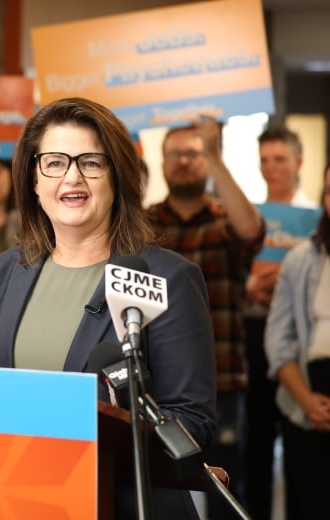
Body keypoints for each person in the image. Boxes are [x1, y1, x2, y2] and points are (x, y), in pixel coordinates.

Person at [0, 97, 216, 519]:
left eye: (91, 162)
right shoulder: (4, 271)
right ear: (33, 180)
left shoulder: (168, 277)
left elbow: (192, 421)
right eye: (55, 163)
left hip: (122, 504)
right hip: (13, 499)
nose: (72, 177)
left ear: (117, 176)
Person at [147, 118, 265, 518]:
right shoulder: (142, 226)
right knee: (159, 493)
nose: (183, 161)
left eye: (192, 154)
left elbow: (251, 231)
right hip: (153, 388)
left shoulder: (224, 221)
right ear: (161, 163)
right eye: (174, 154)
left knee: (226, 492)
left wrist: (215, 155)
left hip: (222, 382)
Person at [245, 125, 319, 520]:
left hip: (300, 340)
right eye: (265, 161)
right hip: (253, 334)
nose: (272, 168)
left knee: (299, 441)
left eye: (280, 160)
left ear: (299, 163)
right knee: (255, 442)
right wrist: (252, 286)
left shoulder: (317, 219)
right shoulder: (248, 218)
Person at [265, 162, 330, 519]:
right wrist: (307, 402)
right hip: (306, 395)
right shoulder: (300, 260)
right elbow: (279, 341)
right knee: (309, 503)